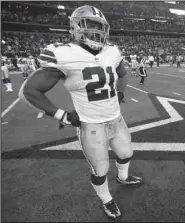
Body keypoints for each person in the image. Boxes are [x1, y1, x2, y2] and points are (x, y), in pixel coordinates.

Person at [19, 5, 143, 220]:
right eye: (91, 25)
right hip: (91, 124)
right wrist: (62, 115)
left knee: (126, 154)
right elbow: (29, 91)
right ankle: (107, 200)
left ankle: (123, 177)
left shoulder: (112, 51)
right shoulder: (62, 53)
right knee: (100, 169)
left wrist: (120, 95)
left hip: (115, 118)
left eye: (99, 26)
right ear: (75, 27)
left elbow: (123, 74)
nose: (96, 31)